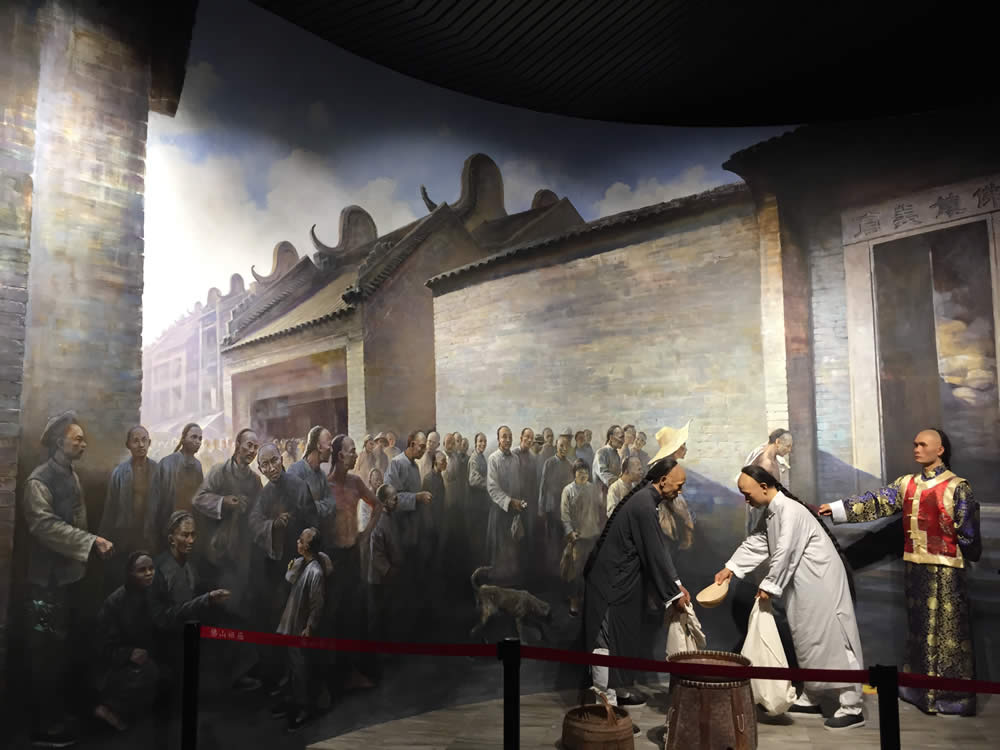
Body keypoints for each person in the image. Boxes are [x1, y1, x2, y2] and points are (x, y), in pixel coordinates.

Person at [819, 428, 981, 716]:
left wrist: (968, 554)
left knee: (948, 633)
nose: (916, 449)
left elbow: (968, 533)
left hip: (947, 572)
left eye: (923, 444)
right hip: (915, 568)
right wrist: (838, 509)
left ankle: (952, 695)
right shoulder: (907, 484)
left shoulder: (958, 487)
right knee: (919, 630)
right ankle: (920, 690)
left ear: (940, 450)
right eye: (915, 444)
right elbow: (876, 501)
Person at [718, 466, 865, 731]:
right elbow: (758, 541)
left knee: (834, 639)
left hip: (821, 584)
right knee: (807, 638)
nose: (746, 500)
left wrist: (770, 584)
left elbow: (786, 550)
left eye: (747, 493)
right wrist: (732, 567)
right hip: (803, 585)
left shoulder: (790, 511)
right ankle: (812, 695)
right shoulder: (773, 512)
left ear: (764, 487)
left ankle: (852, 707)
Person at [21, 411, 115, 747]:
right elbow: (44, 526)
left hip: (68, 580)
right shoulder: (38, 481)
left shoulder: (71, 475)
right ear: (59, 443)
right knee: (46, 654)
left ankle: (60, 717)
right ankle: (45, 728)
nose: (83, 444)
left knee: (64, 651)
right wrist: (90, 542)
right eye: (77, 439)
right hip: (45, 584)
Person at [583, 458, 689, 714]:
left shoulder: (646, 501)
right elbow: (655, 552)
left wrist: (676, 584)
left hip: (622, 583)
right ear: (663, 481)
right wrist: (674, 593)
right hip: (610, 585)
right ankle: (606, 707)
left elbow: (657, 549)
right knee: (605, 641)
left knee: (622, 636)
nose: (680, 491)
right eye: (679, 485)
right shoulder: (643, 504)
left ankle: (617, 691)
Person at [191, 428, 263, 692]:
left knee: (241, 608)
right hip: (220, 552)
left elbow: (259, 511)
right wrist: (224, 502)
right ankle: (221, 675)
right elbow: (198, 499)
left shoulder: (255, 480)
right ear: (237, 445)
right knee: (223, 609)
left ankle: (239, 673)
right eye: (248, 445)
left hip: (245, 552)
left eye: (255, 447)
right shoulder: (219, 471)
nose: (251, 451)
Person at [325, 434, 379, 690]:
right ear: (339, 456)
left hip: (352, 554)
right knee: (336, 616)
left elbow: (377, 505)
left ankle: (354, 671)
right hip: (333, 558)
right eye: (352, 450)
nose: (356, 455)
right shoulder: (325, 485)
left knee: (355, 614)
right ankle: (338, 674)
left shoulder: (356, 482)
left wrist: (365, 534)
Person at [93, 552, 164, 733]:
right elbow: (102, 646)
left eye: (151, 568)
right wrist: (128, 653)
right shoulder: (116, 602)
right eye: (142, 570)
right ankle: (109, 709)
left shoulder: (151, 594)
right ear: (130, 573)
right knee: (148, 671)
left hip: (145, 654)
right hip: (115, 664)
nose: (149, 573)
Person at [275, 527, 332, 731]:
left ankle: (304, 708)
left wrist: (309, 627)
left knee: (301, 669)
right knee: (292, 667)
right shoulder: (301, 563)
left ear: (309, 546)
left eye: (301, 540)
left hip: (301, 627)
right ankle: (291, 702)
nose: (298, 542)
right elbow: (290, 580)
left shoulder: (315, 571)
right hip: (292, 623)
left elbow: (317, 604)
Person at [100, 425, 160, 589]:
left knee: (148, 580)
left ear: (149, 443)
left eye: (144, 440)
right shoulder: (119, 473)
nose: (140, 445)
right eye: (135, 441)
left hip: (149, 536)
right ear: (128, 445)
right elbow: (110, 509)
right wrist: (103, 539)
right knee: (124, 580)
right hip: (124, 537)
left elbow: (165, 506)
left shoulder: (158, 471)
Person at [147, 423, 204, 555]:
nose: (197, 441)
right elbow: (154, 500)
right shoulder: (167, 463)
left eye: (200, 438)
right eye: (194, 437)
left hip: (189, 526)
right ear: (183, 439)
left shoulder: (197, 466)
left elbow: (200, 498)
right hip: (168, 525)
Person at [366, 484, 403, 682]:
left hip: (390, 576)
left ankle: (388, 652)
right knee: (378, 617)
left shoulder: (391, 516)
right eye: (394, 498)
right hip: (379, 579)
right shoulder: (379, 521)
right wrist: (389, 571)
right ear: (384, 501)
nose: (397, 500)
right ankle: (377, 658)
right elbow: (376, 555)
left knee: (389, 614)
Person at [561, 459, 604, 616]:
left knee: (591, 569)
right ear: (574, 474)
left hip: (592, 535)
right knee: (576, 570)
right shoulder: (568, 490)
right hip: (577, 537)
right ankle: (574, 600)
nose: (583, 474)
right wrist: (570, 532)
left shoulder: (593, 489)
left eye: (586, 472)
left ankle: (588, 599)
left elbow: (600, 508)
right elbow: (564, 515)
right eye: (580, 472)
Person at [486, 426, 526, 583]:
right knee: (499, 551)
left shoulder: (515, 459)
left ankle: (511, 585)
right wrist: (510, 502)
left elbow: (518, 485)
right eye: (504, 437)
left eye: (510, 436)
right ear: (498, 439)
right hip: (499, 511)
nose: (508, 440)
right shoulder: (493, 459)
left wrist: (519, 503)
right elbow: (492, 488)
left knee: (513, 549)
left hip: (514, 511)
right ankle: (498, 586)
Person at [538, 433, 575, 576]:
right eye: (561, 446)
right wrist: (541, 508)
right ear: (556, 446)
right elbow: (543, 487)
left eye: (566, 446)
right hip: (551, 508)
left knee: (563, 541)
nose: (564, 448)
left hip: (564, 510)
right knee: (551, 541)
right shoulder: (549, 463)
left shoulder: (570, 465)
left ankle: (561, 573)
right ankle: (550, 572)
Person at [287, 425, 334, 519]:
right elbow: (294, 508)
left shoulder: (322, 476)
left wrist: (311, 506)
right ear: (319, 447)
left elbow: (331, 504)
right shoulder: (295, 472)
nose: (331, 450)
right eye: (329, 445)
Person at [467, 432, 491, 566]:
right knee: (476, 535)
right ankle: (475, 564)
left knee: (482, 534)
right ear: (475, 443)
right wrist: (490, 483)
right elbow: (473, 480)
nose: (483, 444)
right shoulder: (474, 458)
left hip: (482, 503)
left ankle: (481, 562)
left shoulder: (482, 457)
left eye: (484, 441)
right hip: (475, 503)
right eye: (480, 441)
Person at [592, 426, 624, 502]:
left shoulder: (616, 455)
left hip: (612, 496)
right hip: (601, 498)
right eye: (621, 437)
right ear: (611, 438)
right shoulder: (601, 452)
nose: (623, 441)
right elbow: (604, 474)